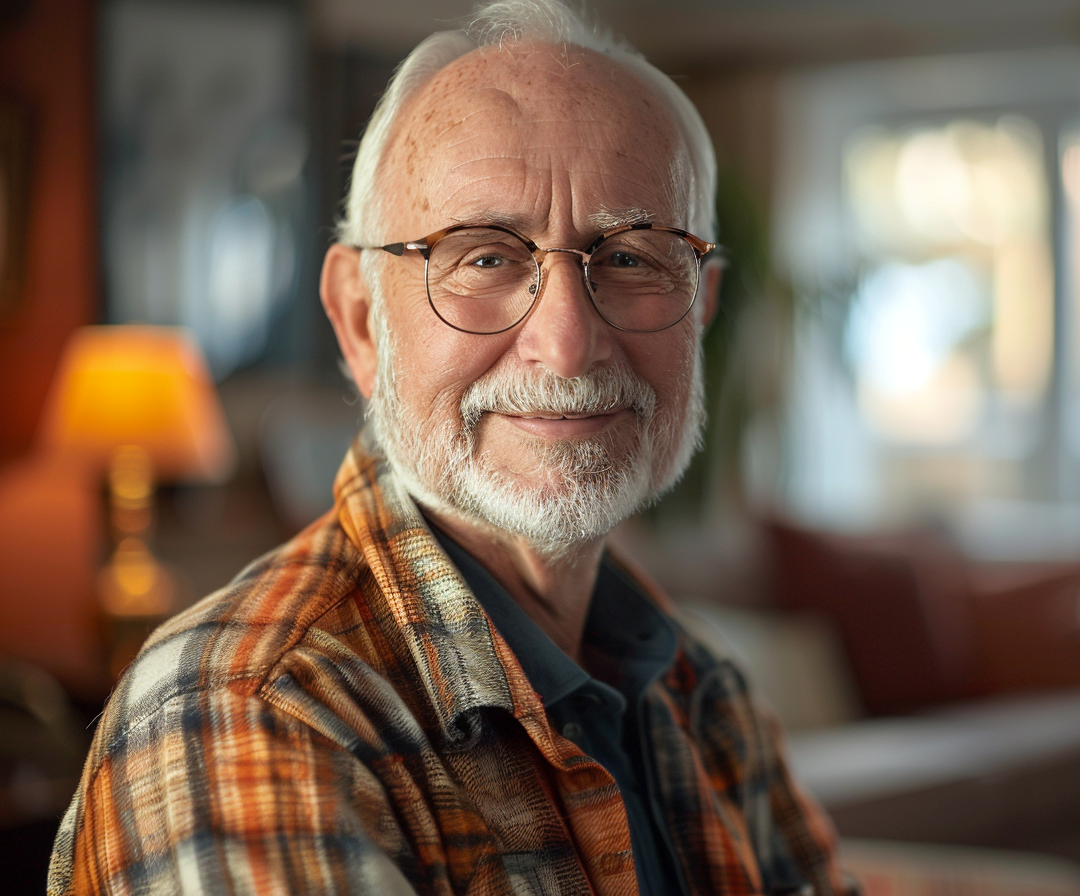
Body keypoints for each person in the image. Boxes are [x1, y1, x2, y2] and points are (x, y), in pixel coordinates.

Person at [48, 2, 850, 893]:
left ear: (700, 306)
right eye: (484, 257)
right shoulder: (251, 710)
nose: (568, 342)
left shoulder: (705, 694)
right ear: (359, 318)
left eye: (630, 258)